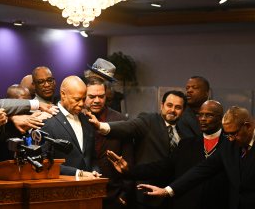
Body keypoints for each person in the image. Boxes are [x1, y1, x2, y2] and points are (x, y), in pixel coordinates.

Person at [107, 100, 229, 209]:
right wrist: (129, 170)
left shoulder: (231, 145)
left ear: (220, 118)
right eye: (200, 114)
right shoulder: (187, 144)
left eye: (208, 115)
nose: (202, 118)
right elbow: (161, 167)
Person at [138, 106, 255, 209]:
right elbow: (202, 169)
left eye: (234, 134)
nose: (230, 139)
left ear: (248, 127)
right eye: (227, 134)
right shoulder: (230, 145)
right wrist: (166, 191)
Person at [88, 90, 188, 209]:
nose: (172, 110)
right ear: (162, 105)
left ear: (183, 111)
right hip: (146, 194)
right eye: (169, 105)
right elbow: (128, 127)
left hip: (171, 195)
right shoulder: (149, 121)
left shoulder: (185, 131)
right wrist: (100, 126)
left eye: (178, 107)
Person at [84, 76, 134, 208]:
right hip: (84, 191)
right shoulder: (77, 118)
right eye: (92, 96)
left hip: (114, 193)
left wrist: (125, 193)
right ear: (83, 95)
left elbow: (129, 158)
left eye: (101, 96)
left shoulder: (120, 120)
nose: (97, 100)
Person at [41, 76, 100, 178]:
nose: (82, 104)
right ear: (63, 94)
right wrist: (78, 173)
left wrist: (95, 171)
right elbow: (43, 162)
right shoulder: (47, 120)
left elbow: (92, 157)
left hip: (90, 186)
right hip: (61, 187)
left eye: (83, 99)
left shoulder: (87, 120)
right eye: (77, 99)